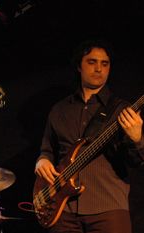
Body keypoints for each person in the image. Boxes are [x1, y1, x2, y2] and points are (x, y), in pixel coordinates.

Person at [34, 39, 144, 233]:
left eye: (105, 63)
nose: (99, 69)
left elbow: (137, 161)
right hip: (63, 211)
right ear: (79, 65)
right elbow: (47, 149)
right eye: (92, 62)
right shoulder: (59, 110)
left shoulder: (122, 109)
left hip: (108, 206)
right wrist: (41, 161)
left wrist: (137, 139)